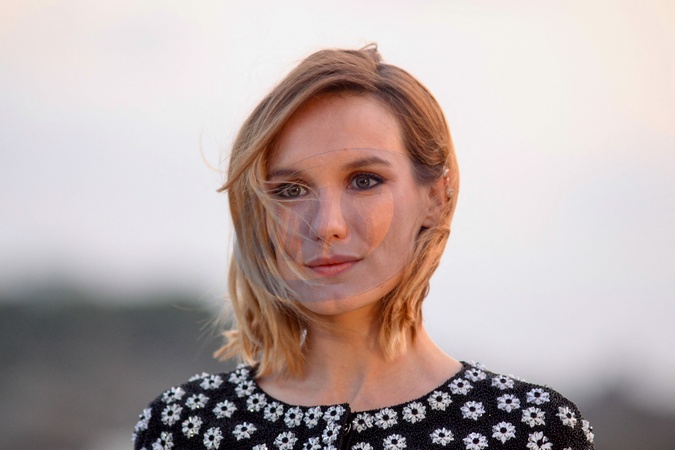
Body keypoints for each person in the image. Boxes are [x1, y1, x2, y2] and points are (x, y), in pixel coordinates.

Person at [133, 45, 595, 450]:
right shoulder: (184, 427)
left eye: (365, 181)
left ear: (435, 198)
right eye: (291, 190)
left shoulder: (527, 430)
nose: (327, 226)